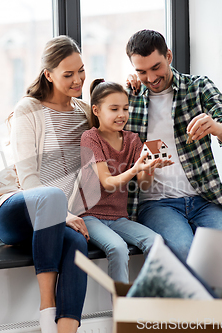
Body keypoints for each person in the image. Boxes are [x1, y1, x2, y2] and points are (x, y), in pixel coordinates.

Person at [0, 35, 91, 333]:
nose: (77, 80)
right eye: (68, 74)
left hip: (54, 220)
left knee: (76, 243)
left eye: (81, 70)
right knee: (52, 197)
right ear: (48, 74)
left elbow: (113, 129)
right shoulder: (28, 110)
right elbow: (29, 178)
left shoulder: (84, 112)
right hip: (13, 210)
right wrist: (64, 212)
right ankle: (47, 311)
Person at [124, 29, 222, 261]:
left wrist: (216, 127)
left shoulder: (198, 87)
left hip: (203, 200)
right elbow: (98, 107)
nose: (150, 78)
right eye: (141, 71)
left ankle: (216, 298)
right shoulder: (130, 96)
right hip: (157, 204)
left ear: (168, 56)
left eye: (156, 67)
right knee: (184, 252)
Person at [78, 79, 172, 283]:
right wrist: (136, 168)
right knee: (118, 248)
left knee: (156, 243)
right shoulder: (90, 138)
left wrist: (149, 168)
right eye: (114, 109)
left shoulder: (133, 140)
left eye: (125, 108)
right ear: (96, 110)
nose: (121, 115)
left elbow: (144, 185)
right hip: (90, 216)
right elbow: (108, 183)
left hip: (119, 217)